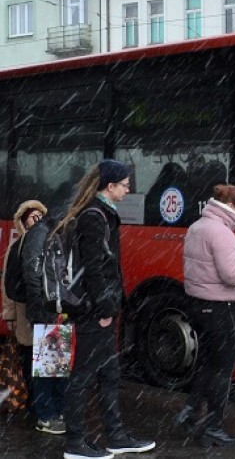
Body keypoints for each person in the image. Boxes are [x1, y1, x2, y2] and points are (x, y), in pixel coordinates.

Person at [58, 160, 155, 459]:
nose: (128, 189)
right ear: (109, 186)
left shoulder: (101, 213)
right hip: (93, 311)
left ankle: (116, 436)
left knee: (110, 374)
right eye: (125, 184)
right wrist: (104, 306)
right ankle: (75, 442)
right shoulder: (94, 216)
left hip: (100, 308)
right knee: (83, 376)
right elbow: (94, 268)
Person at [175, 184, 235, 447]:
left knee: (208, 363)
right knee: (223, 368)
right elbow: (233, 276)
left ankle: (190, 412)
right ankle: (212, 425)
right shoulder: (222, 232)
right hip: (221, 307)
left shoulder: (198, 226)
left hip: (198, 304)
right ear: (231, 207)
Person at [1, 200, 67, 434]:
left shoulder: (49, 240)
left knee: (46, 364)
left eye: (40, 215)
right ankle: (43, 411)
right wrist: (9, 314)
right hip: (28, 312)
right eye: (32, 216)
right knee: (38, 363)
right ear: (23, 220)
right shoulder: (20, 245)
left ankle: (45, 409)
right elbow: (9, 283)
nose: (36, 219)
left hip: (43, 311)